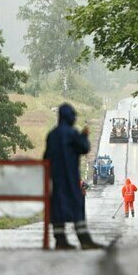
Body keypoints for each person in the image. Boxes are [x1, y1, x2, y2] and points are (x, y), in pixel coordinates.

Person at [43, 104, 103, 250]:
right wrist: (84, 136)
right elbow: (84, 148)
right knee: (77, 204)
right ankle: (84, 240)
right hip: (70, 177)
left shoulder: (52, 134)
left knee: (57, 206)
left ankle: (60, 240)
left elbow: (46, 156)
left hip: (55, 177)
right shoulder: (72, 133)